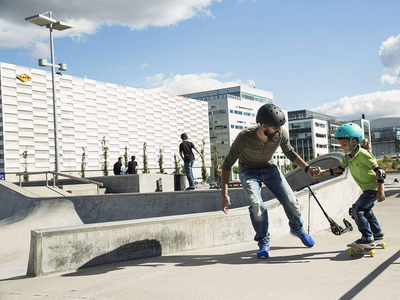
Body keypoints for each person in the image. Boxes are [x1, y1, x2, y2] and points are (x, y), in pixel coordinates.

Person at [221, 104, 320, 259]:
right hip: (248, 171)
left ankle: (297, 228)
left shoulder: (280, 134)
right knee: (256, 205)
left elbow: (290, 153)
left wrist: (307, 168)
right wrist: (224, 193)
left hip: (269, 168)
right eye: (275, 127)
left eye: (280, 127)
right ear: (263, 126)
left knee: (291, 200)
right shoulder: (244, 137)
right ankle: (263, 242)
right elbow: (227, 164)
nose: (279, 130)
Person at [318, 122, 385, 245]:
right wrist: (322, 172)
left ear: (354, 141)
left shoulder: (364, 155)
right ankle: (377, 233)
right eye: (340, 145)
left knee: (356, 210)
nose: (342, 148)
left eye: (344, 144)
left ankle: (367, 237)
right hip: (366, 189)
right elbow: (339, 169)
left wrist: (381, 191)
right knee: (366, 211)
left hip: (373, 187)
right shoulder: (347, 157)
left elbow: (379, 172)